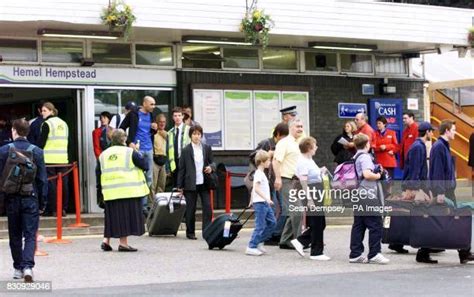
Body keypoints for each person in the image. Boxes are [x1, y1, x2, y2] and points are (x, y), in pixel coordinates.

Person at [0, 119, 47, 282]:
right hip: (30, 198)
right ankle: (28, 267)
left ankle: (17, 268)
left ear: (14, 131)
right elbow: (42, 180)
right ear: (27, 132)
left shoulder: (4, 151)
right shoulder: (38, 152)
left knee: (14, 235)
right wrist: (43, 203)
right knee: (29, 235)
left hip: (11, 199)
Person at [429, 119, 474, 264]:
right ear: (447, 131)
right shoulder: (439, 147)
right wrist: (440, 192)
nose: (455, 132)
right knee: (452, 221)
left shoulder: (443, 146)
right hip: (444, 191)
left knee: (442, 221)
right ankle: (464, 252)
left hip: (447, 190)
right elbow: (437, 171)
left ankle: (464, 252)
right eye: (454, 130)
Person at [98, 129, 148, 252]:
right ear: (124, 139)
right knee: (124, 217)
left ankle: (106, 241)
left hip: (110, 191)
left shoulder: (103, 154)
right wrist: (137, 150)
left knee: (111, 217)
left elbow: (98, 172)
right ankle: (123, 244)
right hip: (127, 190)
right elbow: (145, 165)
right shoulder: (129, 152)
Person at [349, 133, 390, 264]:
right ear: (367, 144)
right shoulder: (365, 157)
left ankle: (355, 254)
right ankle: (374, 253)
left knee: (359, 225)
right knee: (375, 224)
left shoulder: (355, 156)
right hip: (368, 194)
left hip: (358, 194)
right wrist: (378, 175)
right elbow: (367, 174)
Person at [401, 122, 437, 263]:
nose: (432, 134)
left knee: (419, 218)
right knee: (423, 218)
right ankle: (423, 252)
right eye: (431, 131)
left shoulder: (418, 146)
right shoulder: (418, 147)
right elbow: (415, 170)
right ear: (427, 132)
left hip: (418, 186)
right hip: (417, 187)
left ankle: (421, 249)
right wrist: (417, 190)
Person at [290, 137, 330, 261]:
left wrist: (320, 171)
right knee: (317, 222)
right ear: (309, 148)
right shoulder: (302, 161)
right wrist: (310, 199)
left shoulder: (309, 159)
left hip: (316, 191)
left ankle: (301, 241)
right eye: (315, 145)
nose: (317, 147)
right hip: (311, 193)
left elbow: (312, 174)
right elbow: (303, 182)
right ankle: (316, 252)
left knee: (320, 222)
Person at [250, 123, 289, 245]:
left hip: (276, 181)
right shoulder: (266, 143)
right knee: (271, 208)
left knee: (283, 208)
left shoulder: (283, 145)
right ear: (277, 134)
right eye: (283, 137)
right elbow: (252, 157)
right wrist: (268, 153)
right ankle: (266, 237)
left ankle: (275, 234)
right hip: (264, 181)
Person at [120, 96, 158, 214]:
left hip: (149, 148)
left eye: (154, 104)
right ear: (144, 103)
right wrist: (129, 142)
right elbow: (121, 128)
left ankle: (144, 205)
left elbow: (149, 132)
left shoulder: (151, 115)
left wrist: (155, 129)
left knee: (149, 178)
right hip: (137, 149)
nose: (153, 106)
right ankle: (137, 206)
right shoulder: (133, 114)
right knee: (136, 177)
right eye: (151, 104)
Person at [177, 125, 215, 240]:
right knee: (190, 209)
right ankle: (190, 232)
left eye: (198, 134)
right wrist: (180, 186)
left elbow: (213, 162)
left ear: (201, 135)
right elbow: (182, 169)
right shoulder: (186, 150)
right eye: (194, 134)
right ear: (190, 136)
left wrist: (211, 168)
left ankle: (207, 231)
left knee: (208, 207)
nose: (196, 136)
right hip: (190, 183)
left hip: (204, 182)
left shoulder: (206, 148)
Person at [273, 118, 304, 249]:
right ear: (291, 128)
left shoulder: (297, 143)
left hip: (295, 181)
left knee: (294, 210)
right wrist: (278, 179)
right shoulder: (284, 143)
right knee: (297, 210)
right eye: (298, 126)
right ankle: (298, 241)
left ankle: (285, 240)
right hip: (285, 180)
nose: (300, 129)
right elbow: (276, 161)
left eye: (302, 126)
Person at [38, 102, 69, 217]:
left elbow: (41, 142)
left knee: (51, 185)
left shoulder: (47, 124)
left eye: (45, 111)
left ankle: (53, 209)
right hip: (63, 159)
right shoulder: (64, 123)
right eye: (42, 111)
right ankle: (63, 209)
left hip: (49, 159)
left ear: (51, 111)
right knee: (63, 184)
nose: (42, 113)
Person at [246, 150, 276, 256]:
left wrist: (251, 200)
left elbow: (254, 188)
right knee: (260, 226)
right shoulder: (259, 174)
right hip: (261, 203)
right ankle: (251, 246)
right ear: (262, 162)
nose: (270, 162)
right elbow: (257, 188)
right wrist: (267, 199)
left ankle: (259, 241)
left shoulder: (261, 173)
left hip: (264, 203)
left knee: (272, 223)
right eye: (268, 160)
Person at [167, 107, 191, 187]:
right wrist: (168, 167)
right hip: (174, 163)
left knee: (186, 186)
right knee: (176, 187)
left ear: (183, 116)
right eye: (175, 116)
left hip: (186, 161)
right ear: (172, 117)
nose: (177, 118)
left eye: (179, 115)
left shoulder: (189, 130)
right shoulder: (170, 132)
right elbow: (168, 150)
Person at [373, 116, 399, 188]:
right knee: (380, 180)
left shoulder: (392, 133)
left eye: (379, 123)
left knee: (389, 181)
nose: (378, 125)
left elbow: (396, 146)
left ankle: (389, 196)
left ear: (384, 124)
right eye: (377, 123)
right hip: (379, 161)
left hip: (389, 161)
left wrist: (386, 147)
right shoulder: (374, 134)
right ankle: (381, 195)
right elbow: (373, 146)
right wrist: (380, 148)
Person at [152, 114, 168, 196]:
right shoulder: (153, 133)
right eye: (160, 122)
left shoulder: (167, 134)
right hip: (154, 160)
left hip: (164, 161)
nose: (162, 124)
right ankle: (151, 205)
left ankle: (159, 203)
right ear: (156, 123)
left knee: (162, 184)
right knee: (153, 184)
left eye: (164, 122)